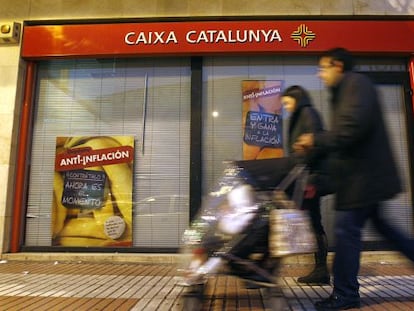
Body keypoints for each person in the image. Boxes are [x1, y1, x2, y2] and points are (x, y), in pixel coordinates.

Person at [294, 47, 414, 310]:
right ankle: (346, 292)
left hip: (362, 179)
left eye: (323, 67)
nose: (320, 73)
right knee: (387, 232)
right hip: (362, 179)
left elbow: (351, 127)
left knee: (346, 233)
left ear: (337, 65)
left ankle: (346, 295)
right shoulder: (349, 88)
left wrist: (316, 139)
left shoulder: (355, 84)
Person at [281, 85, 331, 285]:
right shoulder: (300, 115)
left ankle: (321, 270)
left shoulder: (307, 113)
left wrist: (300, 154)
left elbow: (315, 144)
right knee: (311, 222)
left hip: (311, 178)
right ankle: (320, 269)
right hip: (305, 177)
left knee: (313, 223)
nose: (285, 107)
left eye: (287, 102)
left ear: (297, 99)